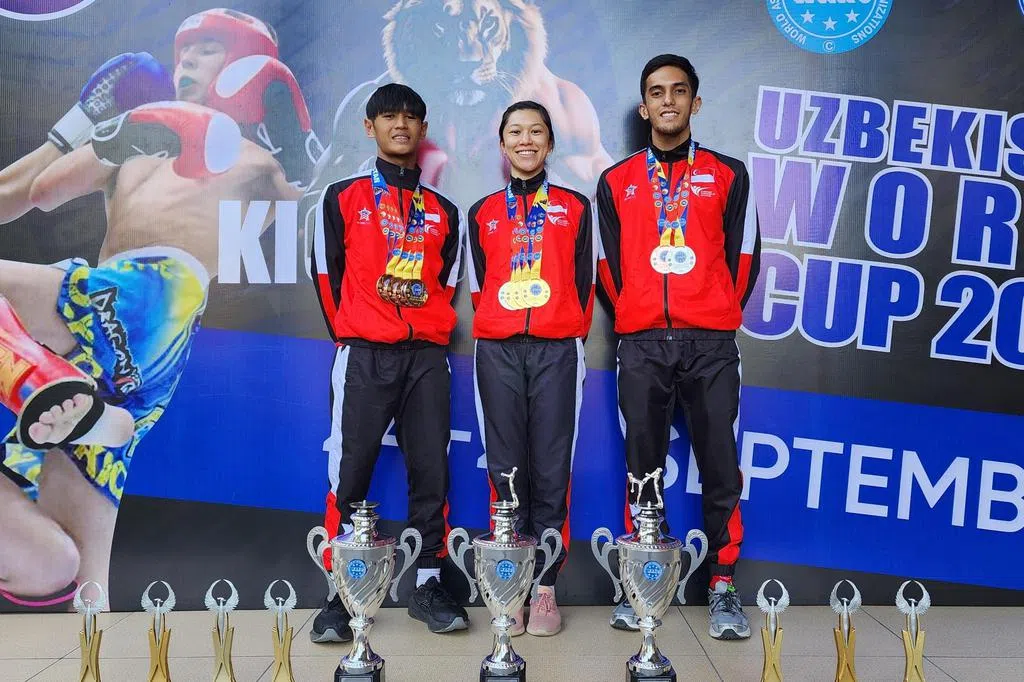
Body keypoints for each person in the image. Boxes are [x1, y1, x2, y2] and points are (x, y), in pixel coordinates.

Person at [0, 7, 317, 607]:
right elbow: (31, 193)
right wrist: (87, 126)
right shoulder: (136, 138)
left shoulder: (257, 158)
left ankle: (40, 381)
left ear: (250, 66)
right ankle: (74, 402)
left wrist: (292, 136)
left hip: (153, 304)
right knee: (76, 585)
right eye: (184, 50)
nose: (188, 60)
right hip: (109, 341)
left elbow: (303, 197)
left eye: (209, 48)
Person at [596, 54, 761, 640]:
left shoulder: (729, 174)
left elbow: (745, 255)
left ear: (695, 101)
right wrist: (637, 314)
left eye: (679, 90)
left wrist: (713, 312)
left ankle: (723, 584)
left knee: (720, 463)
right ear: (644, 107)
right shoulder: (615, 181)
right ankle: (643, 579)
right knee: (643, 466)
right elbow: (606, 264)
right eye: (657, 92)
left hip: (710, 343)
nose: (668, 100)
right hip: (642, 343)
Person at [310, 83, 468, 641]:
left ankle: (427, 583)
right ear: (369, 127)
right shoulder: (342, 197)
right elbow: (326, 276)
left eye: (410, 118)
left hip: (426, 358)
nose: (400, 125)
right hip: (364, 354)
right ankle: (343, 590)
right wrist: (358, 332)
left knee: (431, 471)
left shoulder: (444, 211)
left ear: (423, 130)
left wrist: (422, 331)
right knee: (350, 470)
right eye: (388, 117)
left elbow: (447, 284)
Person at [465, 101, 594, 637]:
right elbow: (479, 286)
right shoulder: (481, 211)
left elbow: (586, 282)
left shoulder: (575, 207)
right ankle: (510, 584)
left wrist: (560, 326)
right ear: (502, 144)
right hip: (497, 349)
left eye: (536, 131)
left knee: (551, 465)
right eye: (515, 131)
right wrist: (503, 324)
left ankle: (544, 587)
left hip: (556, 349)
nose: (525, 140)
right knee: (505, 467)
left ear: (549, 142)